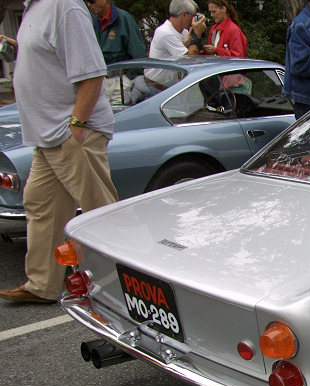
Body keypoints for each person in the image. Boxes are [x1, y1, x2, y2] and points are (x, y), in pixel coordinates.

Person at [0, 0, 118, 304]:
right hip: (47, 135)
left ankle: (119, 288)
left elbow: (92, 73)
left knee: (99, 211)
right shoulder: (33, 8)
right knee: (41, 207)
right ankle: (42, 286)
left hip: (72, 131)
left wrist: (76, 126)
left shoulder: (64, 6)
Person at [146, 0, 208, 88]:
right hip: (156, 87)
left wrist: (190, 41)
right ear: (184, 14)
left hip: (169, 86)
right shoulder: (165, 33)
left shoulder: (184, 32)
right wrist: (197, 34)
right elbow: (189, 61)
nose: (194, 20)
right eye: (193, 16)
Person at [86, 0, 146, 64]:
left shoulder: (124, 20)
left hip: (122, 72)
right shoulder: (92, 24)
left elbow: (138, 55)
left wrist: (129, 74)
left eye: (91, 1)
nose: (89, 4)